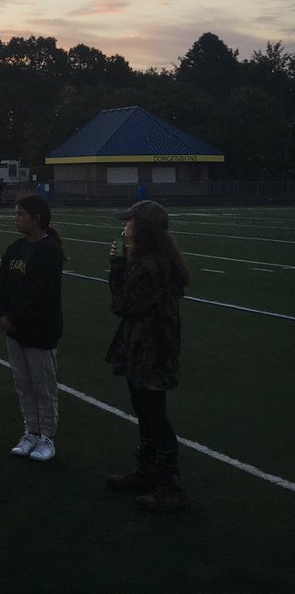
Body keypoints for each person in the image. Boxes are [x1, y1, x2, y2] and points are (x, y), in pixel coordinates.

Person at [105, 200, 189, 512]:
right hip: (143, 347)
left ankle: (169, 485)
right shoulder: (151, 262)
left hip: (151, 351)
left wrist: (117, 266)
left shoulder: (150, 266)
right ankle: (148, 472)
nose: (125, 226)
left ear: (144, 228)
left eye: (130, 221)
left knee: (154, 415)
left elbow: (121, 305)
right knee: (145, 412)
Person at [0, 194, 65, 461]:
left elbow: (40, 293)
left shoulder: (49, 250)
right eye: (16, 213)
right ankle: (31, 431)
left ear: (37, 219)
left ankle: (47, 437)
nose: (16, 219)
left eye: (21, 214)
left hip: (39, 330)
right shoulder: (16, 247)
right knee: (23, 383)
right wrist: (2, 312)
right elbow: (0, 284)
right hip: (15, 330)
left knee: (42, 385)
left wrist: (14, 316)